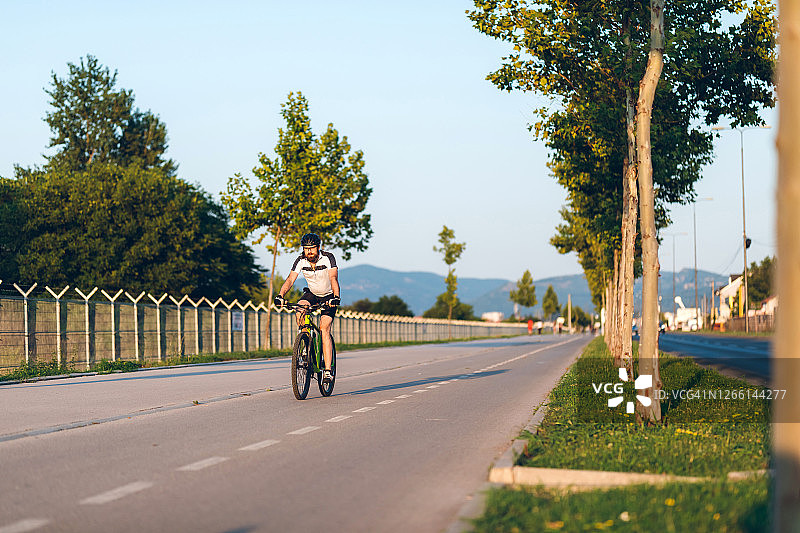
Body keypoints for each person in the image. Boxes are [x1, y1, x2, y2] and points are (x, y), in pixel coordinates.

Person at [274, 233, 340, 384]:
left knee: (324, 328)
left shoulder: (328, 258)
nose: (309, 252)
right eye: (306, 249)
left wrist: (336, 297)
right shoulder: (300, 260)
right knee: (300, 310)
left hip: (329, 296)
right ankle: (304, 347)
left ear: (318, 248)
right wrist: (280, 295)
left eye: (312, 248)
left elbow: (333, 278)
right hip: (312, 294)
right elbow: (290, 279)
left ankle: (328, 371)